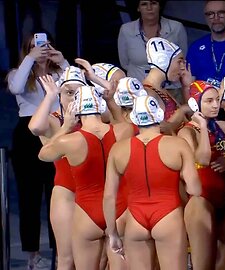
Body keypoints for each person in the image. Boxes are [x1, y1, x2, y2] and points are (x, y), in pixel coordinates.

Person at [38, 86, 134, 270]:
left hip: (86, 213)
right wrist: (111, 102)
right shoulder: (123, 131)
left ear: (76, 110)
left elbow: (43, 154)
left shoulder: (69, 141)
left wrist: (65, 127)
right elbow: (121, 121)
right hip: (119, 209)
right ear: (100, 106)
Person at [103, 95, 202, 270]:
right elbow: (194, 189)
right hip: (168, 215)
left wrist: (113, 234)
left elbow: (109, 196)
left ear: (134, 118)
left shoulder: (118, 149)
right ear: (160, 115)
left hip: (135, 219)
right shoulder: (178, 145)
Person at [7, 30, 69, 270]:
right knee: (29, 197)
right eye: (35, 46)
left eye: (44, 44)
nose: (41, 49)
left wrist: (62, 61)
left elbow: (78, 86)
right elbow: (16, 87)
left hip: (56, 130)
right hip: (27, 134)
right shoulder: (19, 72)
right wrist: (30, 59)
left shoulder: (58, 74)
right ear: (28, 49)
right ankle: (32, 254)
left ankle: (60, 252)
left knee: (58, 193)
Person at [28, 68, 86, 270]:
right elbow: (35, 128)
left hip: (93, 191)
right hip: (66, 192)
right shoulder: (54, 120)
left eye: (78, 93)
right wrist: (50, 96)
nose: (73, 99)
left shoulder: (94, 118)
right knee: (66, 258)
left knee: (99, 256)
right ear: (60, 94)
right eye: (68, 93)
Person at [178, 81, 225, 269]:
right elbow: (202, 159)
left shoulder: (224, 128)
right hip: (201, 200)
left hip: (224, 198)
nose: (215, 105)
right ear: (196, 104)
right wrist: (203, 126)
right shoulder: (186, 132)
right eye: (209, 101)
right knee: (204, 264)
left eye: (217, 100)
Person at [118, 0, 188, 81]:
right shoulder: (126, 30)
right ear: (138, 8)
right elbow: (124, 63)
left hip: (171, 88)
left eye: (153, 3)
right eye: (144, 4)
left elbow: (182, 58)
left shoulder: (176, 27)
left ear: (160, 6)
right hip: (139, 88)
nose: (149, 8)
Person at [143, 37, 191, 134]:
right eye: (179, 62)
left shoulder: (161, 89)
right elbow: (160, 130)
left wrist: (187, 87)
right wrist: (182, 111)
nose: (183, 68)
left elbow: (190, 117)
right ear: (163, 61)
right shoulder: (147, 93)